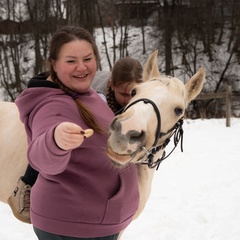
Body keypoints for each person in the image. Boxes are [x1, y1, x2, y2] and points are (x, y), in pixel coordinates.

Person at [8, 25, 142, 240]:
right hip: (71, 228)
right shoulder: (51, 105)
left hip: (95, 223)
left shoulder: (86, 93)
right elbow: (41, 156)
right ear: (54, 64)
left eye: (87, 59)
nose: (82, 67)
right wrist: (55, 140)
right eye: (71, 61)